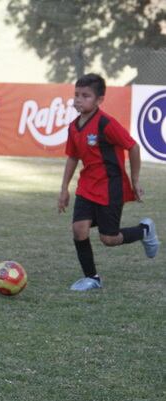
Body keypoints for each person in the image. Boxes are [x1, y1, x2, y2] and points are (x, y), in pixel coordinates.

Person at [58, 73, 159, 291]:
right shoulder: (74, 127)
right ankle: (92, 278)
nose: (78, 99)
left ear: (99, 100)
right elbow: (73, 157)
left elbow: (133, 147)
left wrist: (134, 179)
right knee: (78, 229)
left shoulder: (106, 124)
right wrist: (64, 188)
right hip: (86, 186)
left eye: (85, 96)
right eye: (76, 95)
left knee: (109, 238)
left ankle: (144, 231)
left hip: (110, 187)